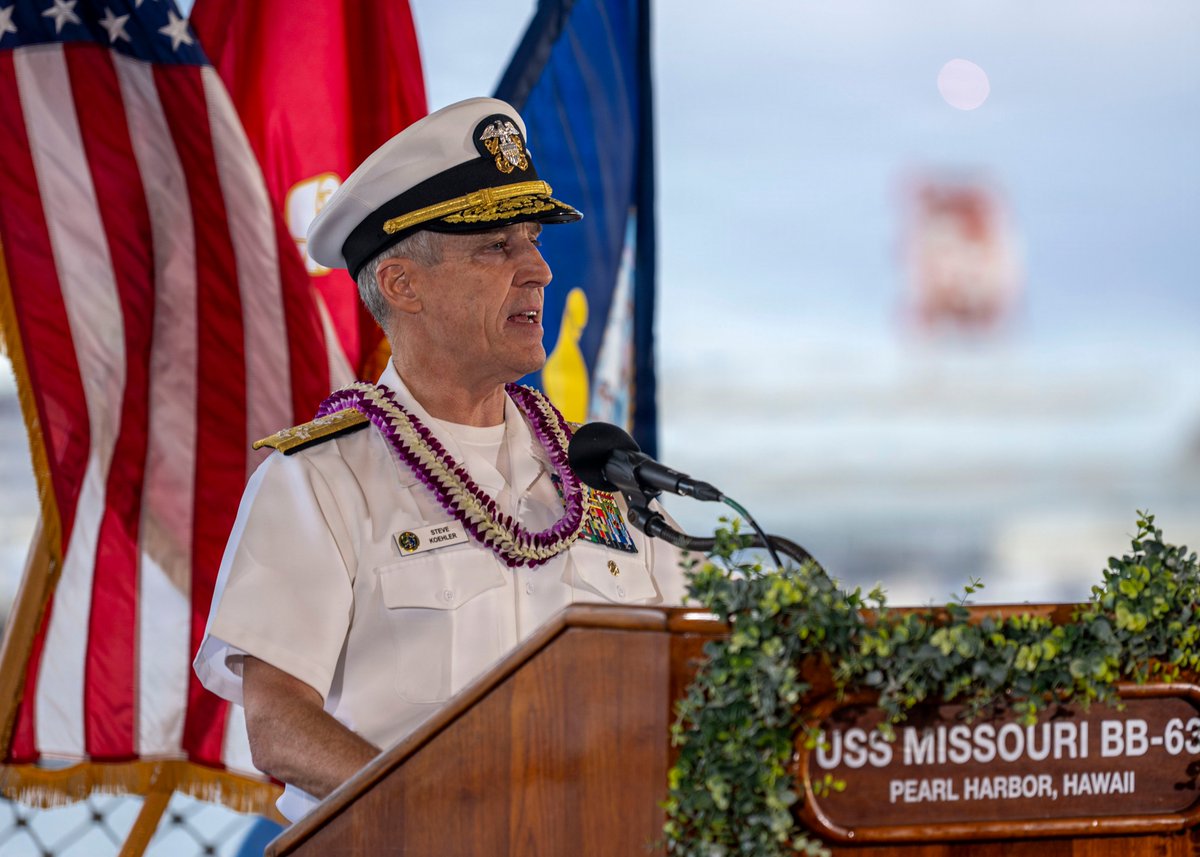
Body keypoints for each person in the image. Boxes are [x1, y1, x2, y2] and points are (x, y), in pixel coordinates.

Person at [193, 97, 688, 821]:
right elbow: (278, 726)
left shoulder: (603, 473)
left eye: (533, 241)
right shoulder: (318, 482)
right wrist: (446, 819)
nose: (540, 271)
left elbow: (694, 668)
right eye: (498, 246)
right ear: (403, 284)